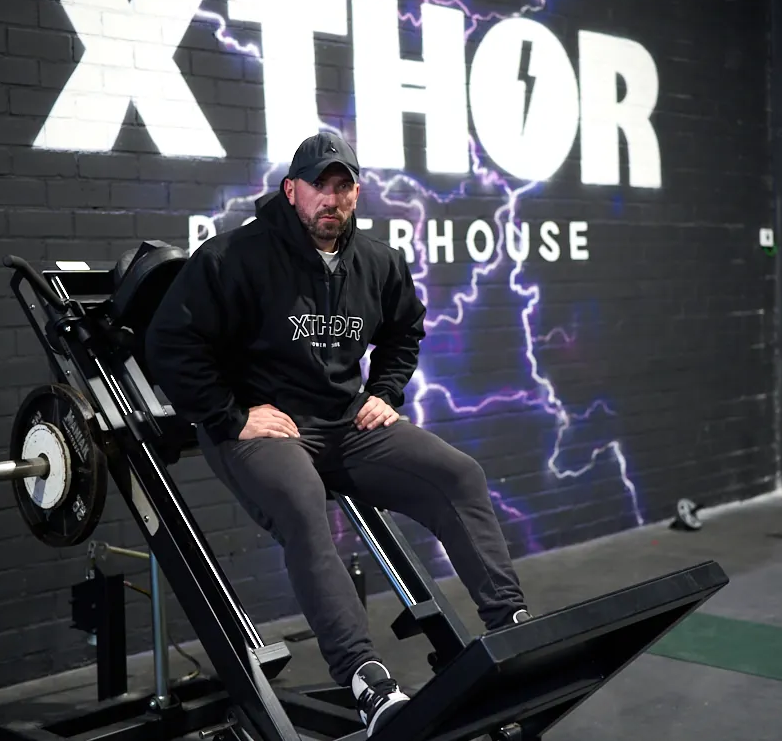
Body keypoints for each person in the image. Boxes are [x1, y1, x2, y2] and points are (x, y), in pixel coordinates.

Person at [143, 131, 531, 735]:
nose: (332, 197)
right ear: (290, 190)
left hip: (344, 424)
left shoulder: (377, 260)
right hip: (261, 428)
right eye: (319, 185)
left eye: (343, 184)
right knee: (302, 502)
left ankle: (512, 629)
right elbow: (169, 342)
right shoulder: (232, 257)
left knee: (458, 475)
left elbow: (405, 331)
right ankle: (367, 680)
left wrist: (385, 393)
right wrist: (231, 415)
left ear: (357, 191)